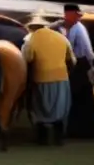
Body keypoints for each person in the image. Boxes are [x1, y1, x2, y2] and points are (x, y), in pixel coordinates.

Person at [22, 13, 75, 145]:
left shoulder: (31, 40)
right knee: (60, 107)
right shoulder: (61, 38)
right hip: (62, 78)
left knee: (40, 108)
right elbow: (72, 60)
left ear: (32, 28)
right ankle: (59, 138)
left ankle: (42, 138)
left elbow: (26, 60)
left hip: (41, 78)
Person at [53, 4, 94, 139]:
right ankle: (80, 130)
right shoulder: (71, 28)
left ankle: (84, 131)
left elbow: (86, 51)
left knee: (80, 98)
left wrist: (89, 67)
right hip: (78, 65)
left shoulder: (77, 29)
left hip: (79, 65)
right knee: (80, 99)